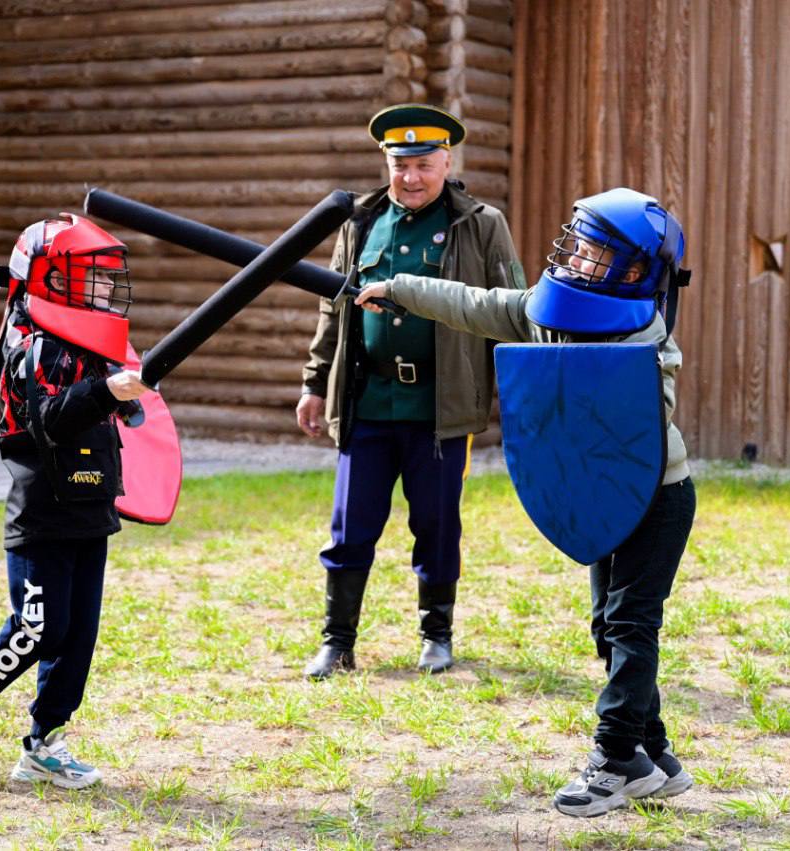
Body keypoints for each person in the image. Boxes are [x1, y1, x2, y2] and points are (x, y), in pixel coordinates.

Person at [355, 187, 696, 816]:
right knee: (608, 627)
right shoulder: (548, 309)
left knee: (630, 624)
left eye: (595, 253)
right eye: (578, 245)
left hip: (654, 498)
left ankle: (616, 758)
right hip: (599, 497)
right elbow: (476, 304)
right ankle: (654, 755)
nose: (578, 258)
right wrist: (400, 288)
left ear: (631, 271)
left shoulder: (645, 339)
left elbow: (636, 422)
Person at [297, 103, 526, 678]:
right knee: (350, 526)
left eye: (424, 164)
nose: (412, 177)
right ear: (387, 164)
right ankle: (337, 641)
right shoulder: (359, 221)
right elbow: (332, 308)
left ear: (447, 162)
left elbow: (513, 311)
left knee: (437, 525)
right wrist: (314, 383)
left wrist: (525, 396)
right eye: (401, 165)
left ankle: (436, 636)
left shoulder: (481, 224)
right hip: (367, 402)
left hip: (439, 407)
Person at [0, 214, 148, 789]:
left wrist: (125, 393)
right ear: (53, 278)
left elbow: (121, 412)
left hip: (91, 507)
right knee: (39, 629)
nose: (105, 285)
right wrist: (105, 391)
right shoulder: (33, 346)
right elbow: (46, 417)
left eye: (107, 275)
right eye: (93, 274)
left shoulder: (93, 346)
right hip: (43, 514)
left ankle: (45, 743)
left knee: (77, 636)